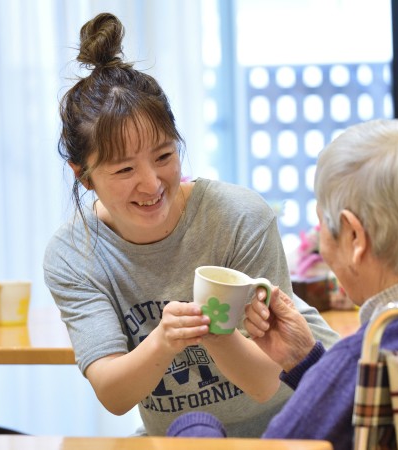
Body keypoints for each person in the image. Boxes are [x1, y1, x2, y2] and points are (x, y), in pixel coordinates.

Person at [42, 12, 339, 438]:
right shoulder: (74, 254)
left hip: (294, 426)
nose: (152, 184)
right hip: (182, 438)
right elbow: (114, 392)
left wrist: (214, 334)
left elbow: (265, 381)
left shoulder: (238, 217)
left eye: (164, 157)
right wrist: (163, 341)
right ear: (83, 175)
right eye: (124, 169)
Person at [166, 118, 398, 450]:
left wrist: (193, 427)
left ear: (353, 236)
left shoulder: (358, 366)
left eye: (322, 223)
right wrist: (308, 363)